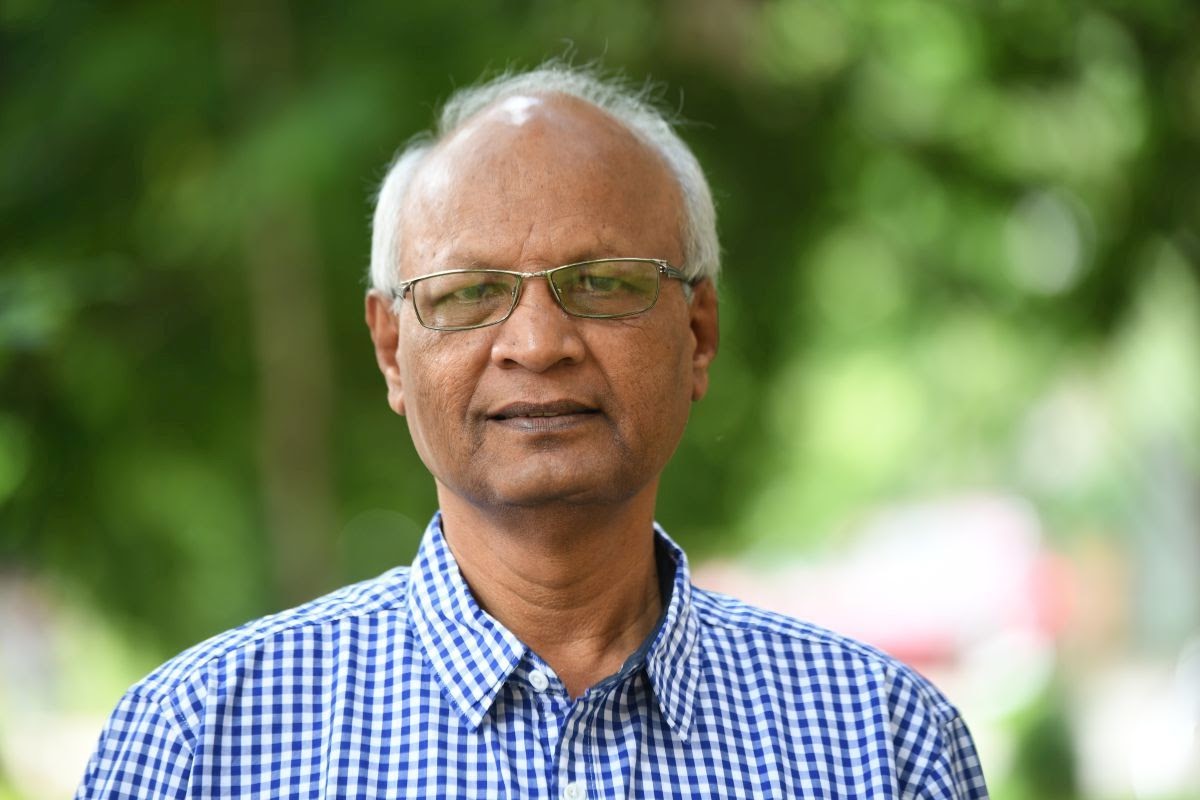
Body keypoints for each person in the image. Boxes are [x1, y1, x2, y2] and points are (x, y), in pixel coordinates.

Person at [78, 64, 989, 799]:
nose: (538, 344)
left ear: (699, 332)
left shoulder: (883, 743)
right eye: (470, 293)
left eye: (603, 282)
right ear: (392, 351)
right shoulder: (198, 745)